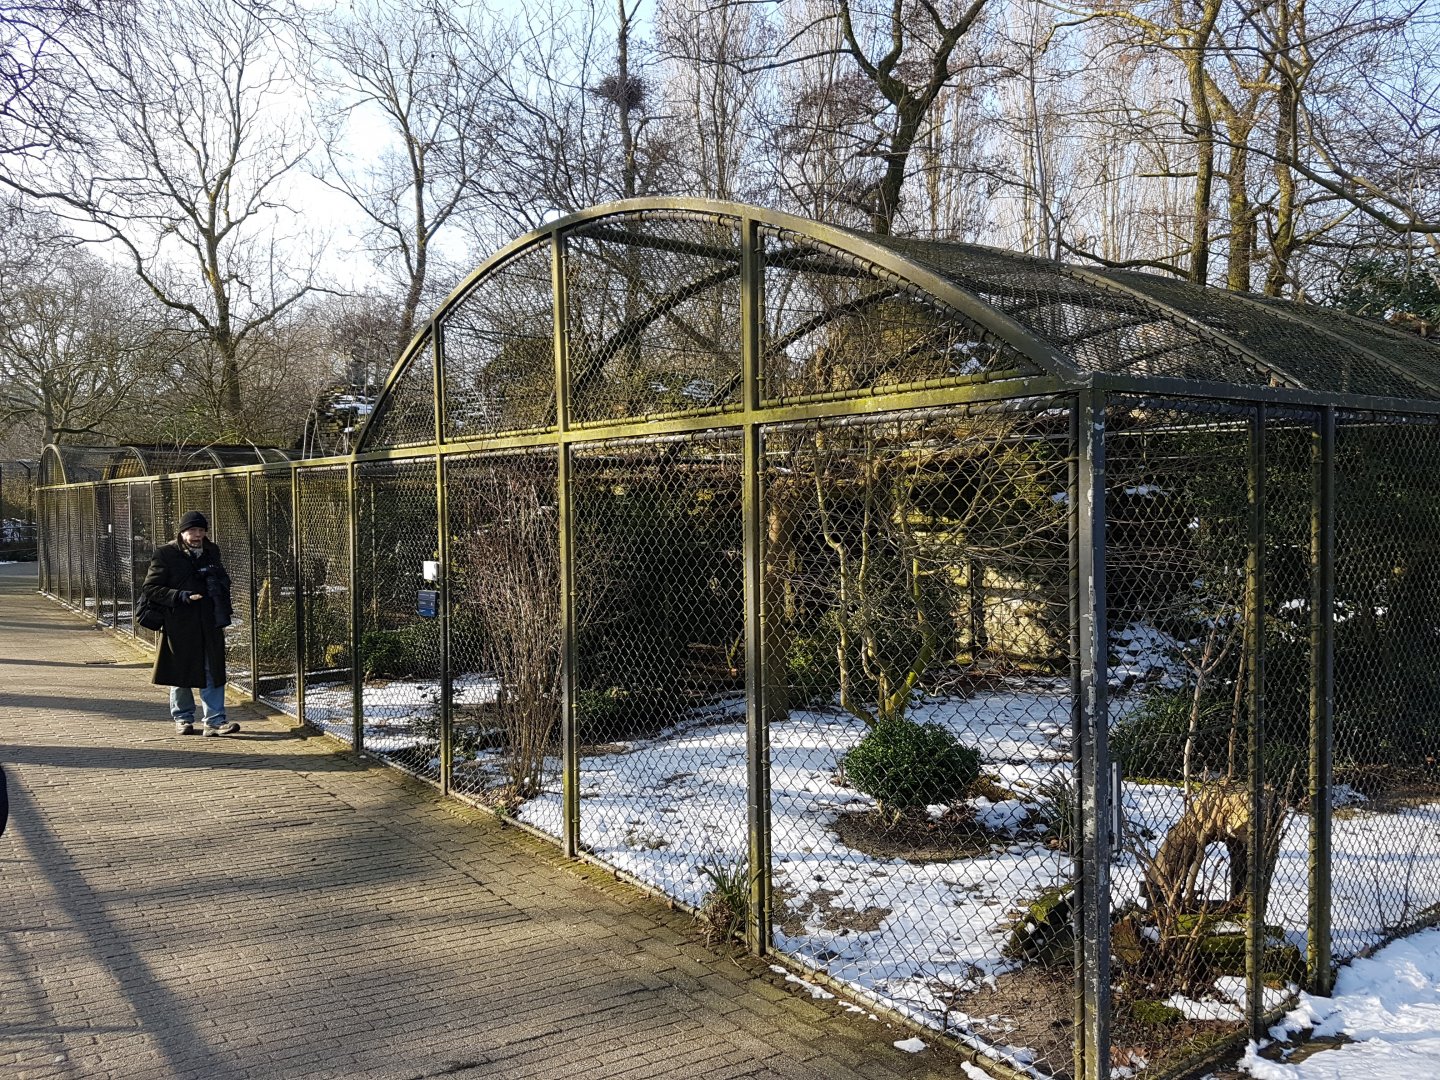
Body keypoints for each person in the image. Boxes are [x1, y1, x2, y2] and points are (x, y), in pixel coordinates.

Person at [142, 510, 240, 736]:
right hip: (180, 623)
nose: (197, 535)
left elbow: (222, 577)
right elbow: (150, 588)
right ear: (182, 532)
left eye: (201, 530)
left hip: (209, 621)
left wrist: (218, 584)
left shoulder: (211, 551)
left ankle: (215, 721)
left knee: (213, 670)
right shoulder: (165, 554)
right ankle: (183, 718)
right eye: (192, 530)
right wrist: (180, 596)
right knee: (181, 671)